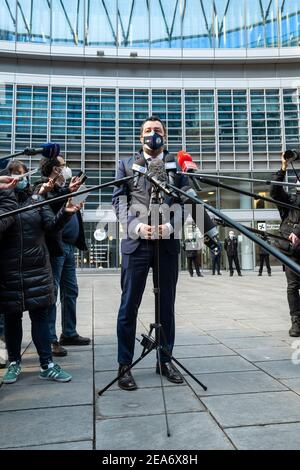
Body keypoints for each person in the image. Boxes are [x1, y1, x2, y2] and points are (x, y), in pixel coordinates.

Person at [112, 115, 188, 391]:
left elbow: (185, 201)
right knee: (128, 305)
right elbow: (119, 202)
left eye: (157, 130)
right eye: (147, 130)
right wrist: (135, 226)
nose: (152, 133)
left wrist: (170, 226)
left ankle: (164, 359)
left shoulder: (177, 165)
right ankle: (124, 364)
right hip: (136, 244)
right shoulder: (125, 164)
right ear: (140, 136)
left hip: (166, 244)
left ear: (164, 136)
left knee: (166, 304)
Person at [0, 160, 81, 384]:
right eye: (15, 174)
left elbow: (51, 226)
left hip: (37, 269)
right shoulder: (3, 202)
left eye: (23, 174)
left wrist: (66, 212)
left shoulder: (36, 199)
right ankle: (14, 362)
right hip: (9, 271)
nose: (20, 178)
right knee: (12, 319)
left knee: (40, 318)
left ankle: (47, 364)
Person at [35, 155, 90, 357]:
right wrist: (68, 192)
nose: (66, 169)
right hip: (55, 247)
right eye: (63, 165)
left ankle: (69, 332)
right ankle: (50, 339)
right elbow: (50, 209)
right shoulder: (42, 188)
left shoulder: (65, 188)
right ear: (54, 169)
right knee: (53, 292)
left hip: (69, 247)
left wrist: (75, 195)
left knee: (71, 290)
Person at [270, 153, 300, 336]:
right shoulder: (290, 201)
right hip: (289, 251)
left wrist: (297, 233)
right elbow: (275, 191)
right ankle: (296, 322)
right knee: (292, 286)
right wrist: (283, 168)